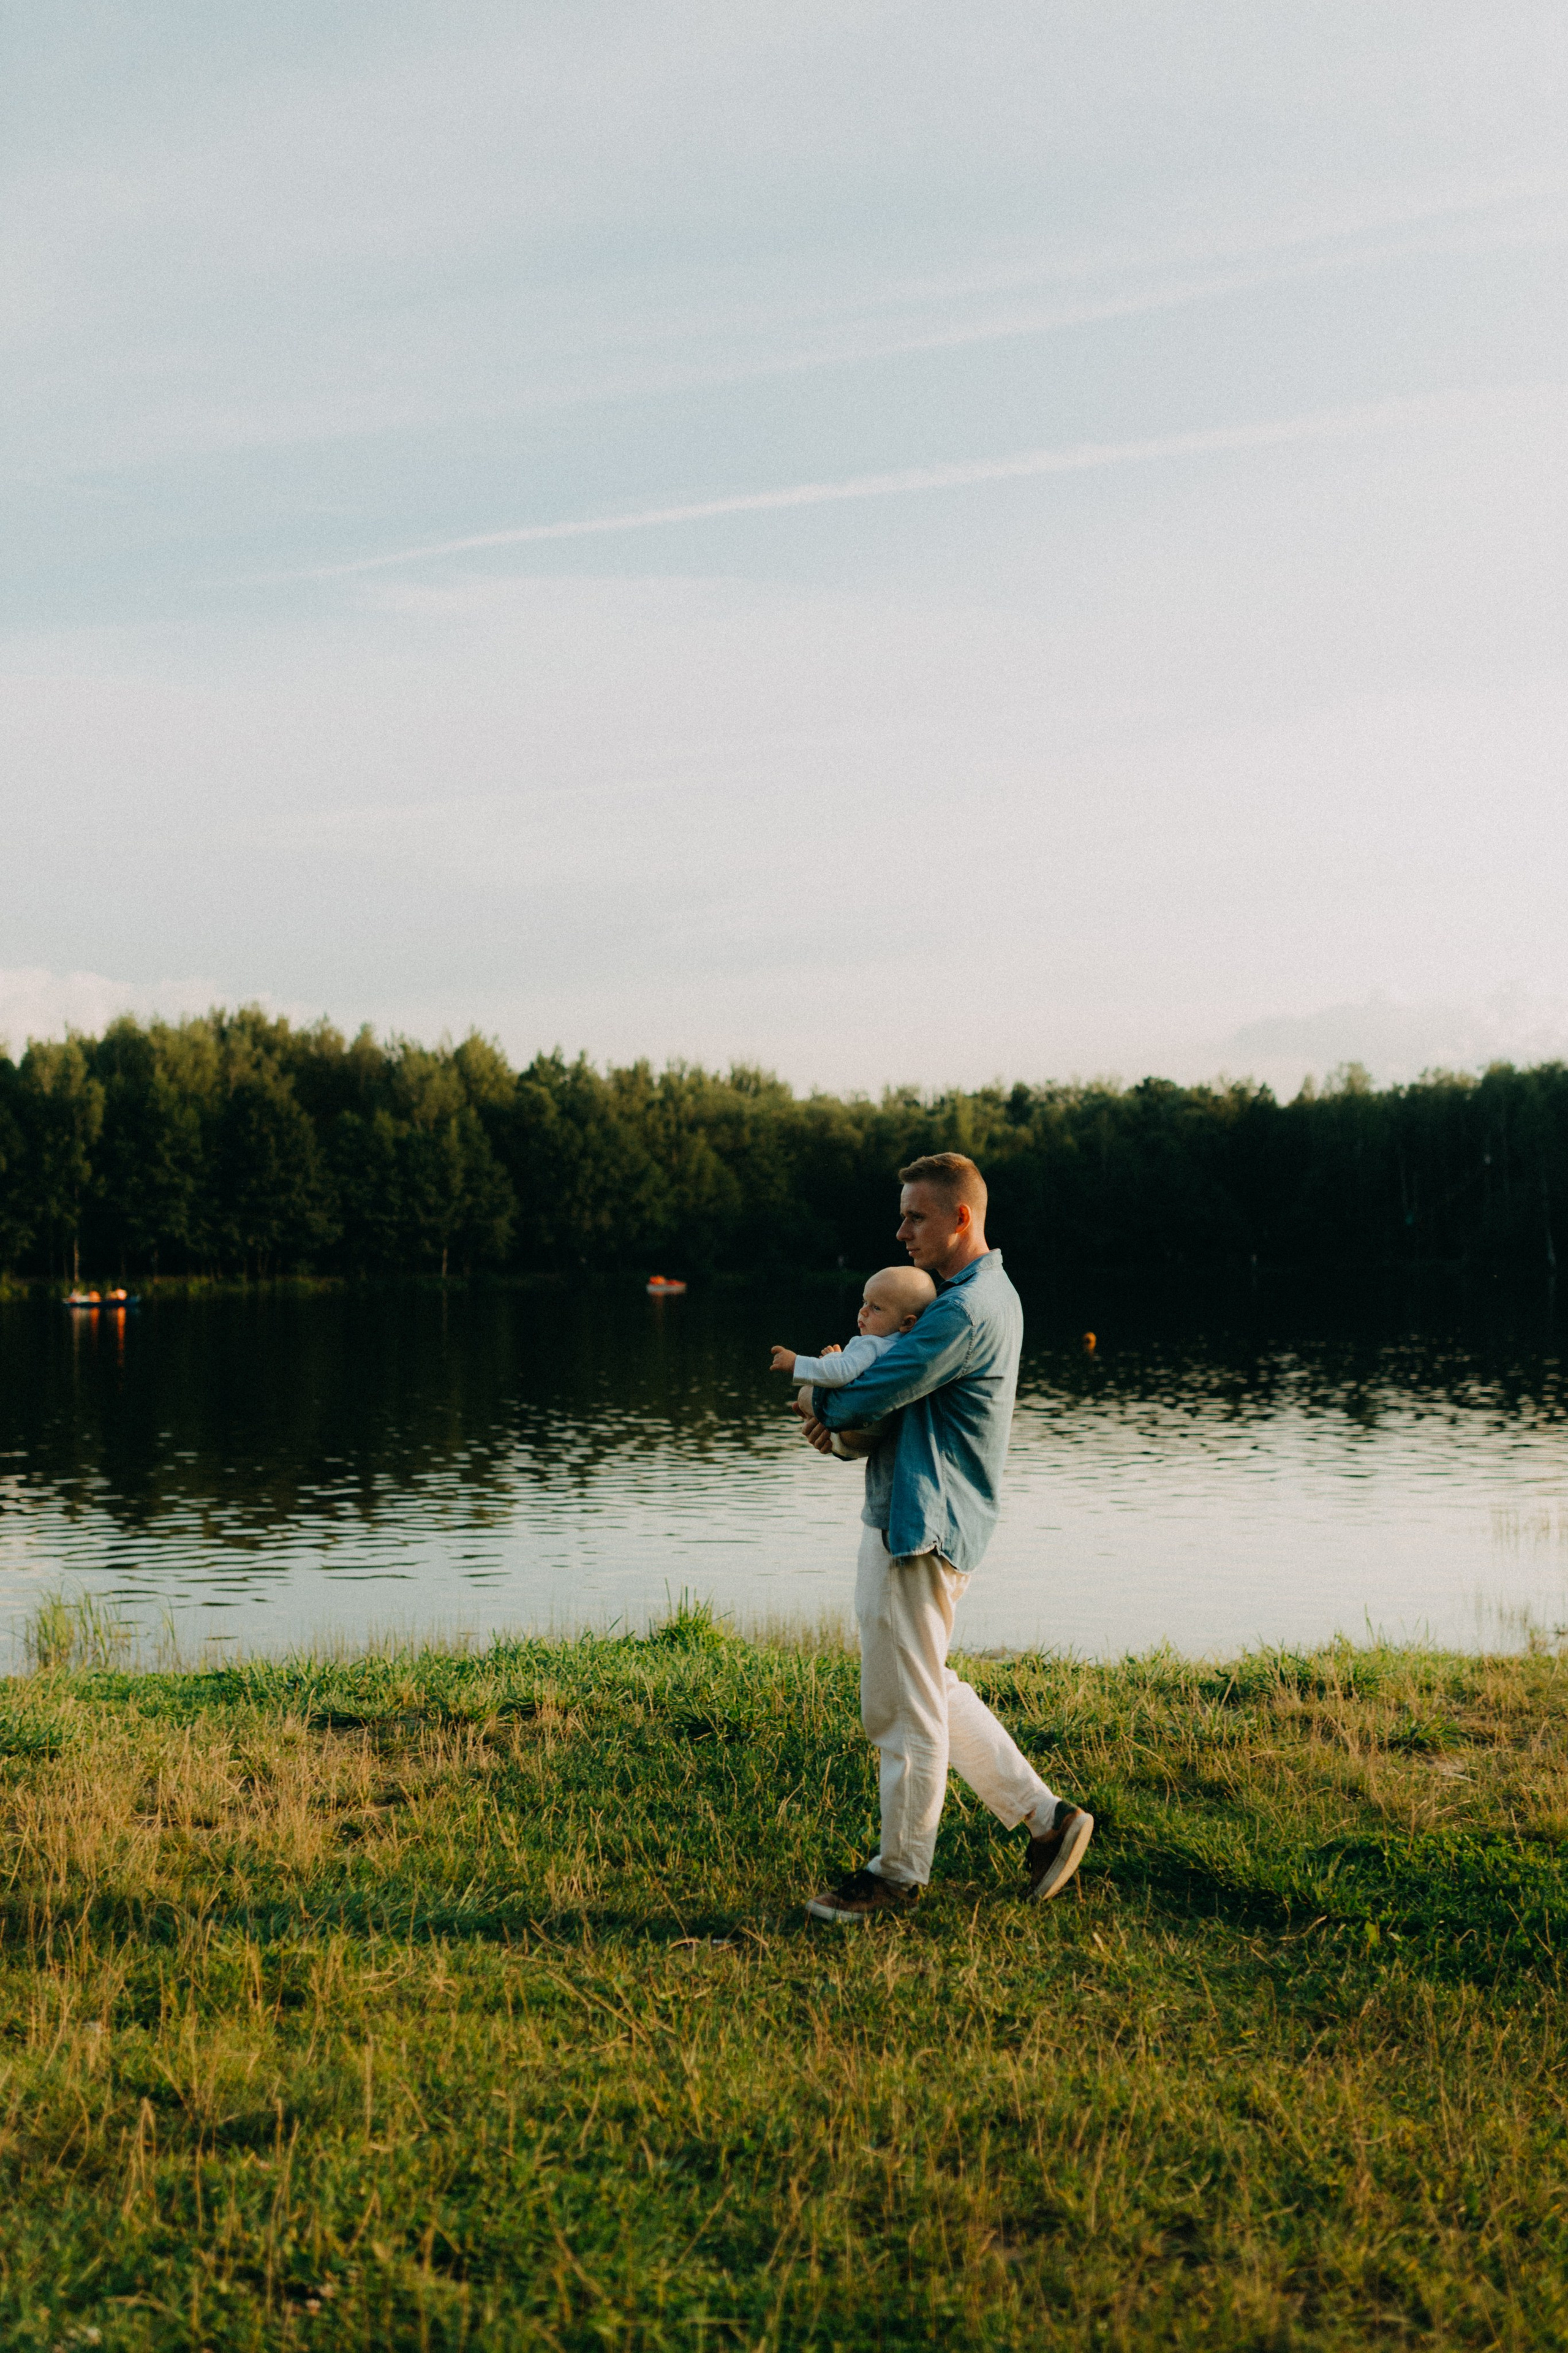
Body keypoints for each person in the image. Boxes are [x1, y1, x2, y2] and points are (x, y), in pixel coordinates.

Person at [793, 1152, 1093, 1923]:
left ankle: (898, 1875)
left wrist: (823, 1398)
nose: (901, 1232)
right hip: (917, 1515)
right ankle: (1046, 1819)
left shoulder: (962, 1311)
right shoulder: (969, 1296)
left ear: (962, 1216)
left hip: (920, 1525)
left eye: (915, 1216)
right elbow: (882, 1403)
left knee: (903, 1710)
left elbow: (873, 1392)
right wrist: (844, 1410)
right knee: (923, 1687)